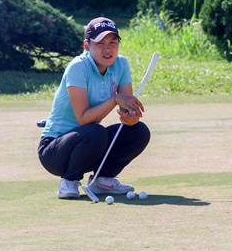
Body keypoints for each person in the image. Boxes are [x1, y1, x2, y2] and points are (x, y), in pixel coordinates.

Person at [37, 17, 150, 199]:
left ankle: (102, 179)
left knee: (138, 132)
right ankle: (69, 180)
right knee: (96, 131)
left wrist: (131, 117)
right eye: (100, 43)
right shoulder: (78, 67)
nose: (107, 49)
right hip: (54, 150)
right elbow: (83, 118)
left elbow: (127, 106)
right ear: (86, 45)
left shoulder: (121, 64)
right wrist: (115, 100)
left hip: (88, 144)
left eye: (113, 42)